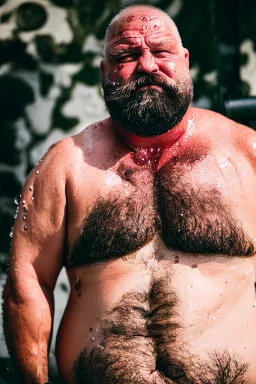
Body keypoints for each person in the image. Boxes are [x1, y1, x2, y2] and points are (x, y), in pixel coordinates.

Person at [3, 4, 256, 383]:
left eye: (161, 51)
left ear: (184, 60)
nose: (148, 65)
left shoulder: (247, 154)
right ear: (104, 72)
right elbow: (28, 284)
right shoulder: (64, 166)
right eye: (127, 55)